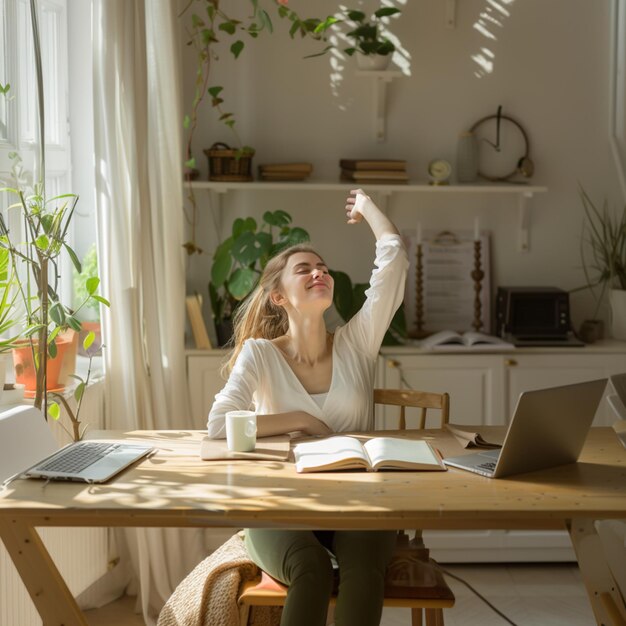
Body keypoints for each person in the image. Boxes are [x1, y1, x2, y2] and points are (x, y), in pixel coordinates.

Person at [207, 189, 409, 626]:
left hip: (356, 503)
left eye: (323, 267)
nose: (319, 272)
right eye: (305, 269)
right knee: (311, 569)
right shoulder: (260, 354)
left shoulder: (356, 343)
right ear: (279, 296)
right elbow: (219, 425)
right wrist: (302, 420)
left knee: (364, 571)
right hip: (278, 505)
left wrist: (368, 208)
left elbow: (393, 264)